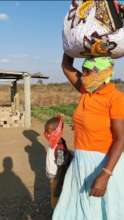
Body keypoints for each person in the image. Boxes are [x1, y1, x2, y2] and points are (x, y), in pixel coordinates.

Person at [52, 54, 124, 220]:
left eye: (87, 72)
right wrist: (71, 45)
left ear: (102, 73)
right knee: (77, 210)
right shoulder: (86, 91)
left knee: (103, 211)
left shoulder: (116, 99)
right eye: (83, 71)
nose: (82, 76)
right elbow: (66, 66)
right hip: (80, 162)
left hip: (104, 164)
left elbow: (121, 139)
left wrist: (105, 175)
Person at [44, 115, 72, 210]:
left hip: (56, 177)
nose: (47, 134)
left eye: (49, 132)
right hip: (53, 176)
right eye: (46, 131)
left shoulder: (59, 146)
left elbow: (61, 165)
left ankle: (56, 214)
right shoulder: (54, 142)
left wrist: (59, 182)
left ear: (57, 131)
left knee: (55, 196)